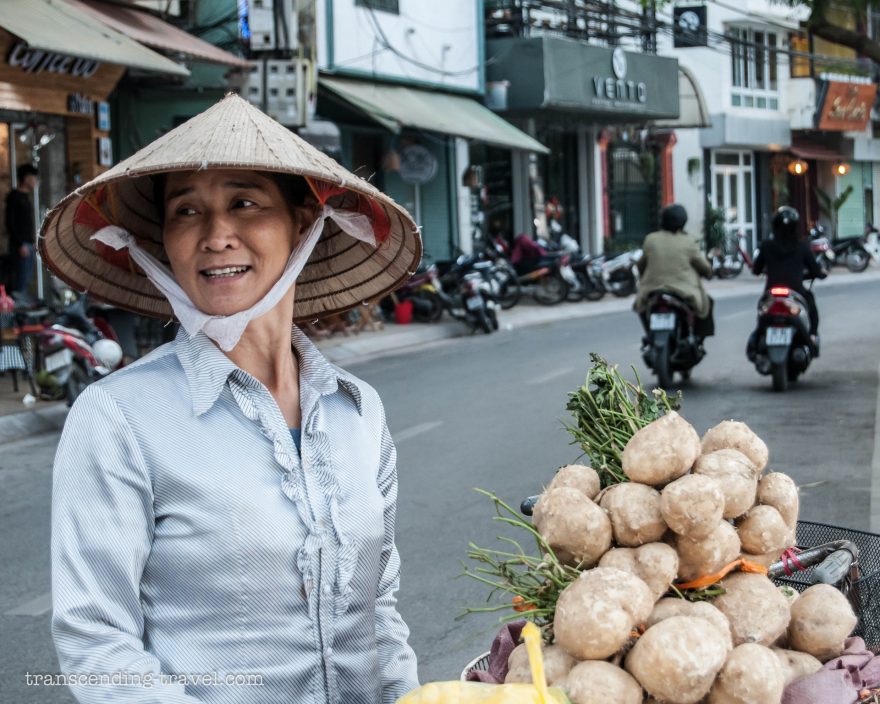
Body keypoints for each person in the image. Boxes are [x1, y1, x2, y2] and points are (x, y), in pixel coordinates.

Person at [44, 95, 421, 704]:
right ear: (164, 240)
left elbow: (378, 612)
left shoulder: (358, 411)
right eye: (186, 211)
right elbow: (97, 646)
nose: (216, 236)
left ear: (303, 221)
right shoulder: (118, 418)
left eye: (245, 203)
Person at [634, 203, 714, 338]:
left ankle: (649, 334)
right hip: (684, 292)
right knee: (707, 302)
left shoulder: (651, 239)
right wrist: (708, 273)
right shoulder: (688, 241)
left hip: (652, 290)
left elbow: (640, 265)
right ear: (683, 222)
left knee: (641, 307)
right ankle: (697, 338)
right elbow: (704, 267)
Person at [752, 205, 825, 347]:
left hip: (771, 292)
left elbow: (756, 270)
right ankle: (812, 335)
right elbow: (816, 270)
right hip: (796, 291)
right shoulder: (802, 247)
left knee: (761, 310)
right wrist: (820, 274)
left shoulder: (766, 246)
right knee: (810, 302)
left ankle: (757, 338)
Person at [6, 163, 38, 301]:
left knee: (27, 279)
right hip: (20, 246)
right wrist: (20, 244)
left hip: (29, 244)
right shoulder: (14, 197)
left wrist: (33, 242)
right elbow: (10, 223)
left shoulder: (26, 197)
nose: (36, 181)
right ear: (26, 178)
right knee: (20, 281)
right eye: (34, 177)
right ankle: (16, 308)